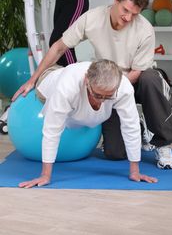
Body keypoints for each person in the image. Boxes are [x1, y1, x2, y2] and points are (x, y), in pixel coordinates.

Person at [13, 0, 172, 170]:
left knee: (150, 78)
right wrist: (33, 80)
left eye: (134, 14)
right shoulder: (92, 18)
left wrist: (110, 91)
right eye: (125, 10)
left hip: (135, 80)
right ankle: (141, 129)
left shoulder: (145, 30)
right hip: (107, 80)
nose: (128, 18)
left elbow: (137, 72)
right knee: (115, 153)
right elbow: (59, 47)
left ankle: (163, 143)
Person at [18, 59, 157, 188]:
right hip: (50, 79)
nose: (101, 101)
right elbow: (52, 130)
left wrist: (134, 171)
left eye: (108, 96)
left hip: (79, 74)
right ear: (86, 81)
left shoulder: (123, 87)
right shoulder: (65, 88)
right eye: (97, 95)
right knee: (59, 95)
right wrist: (45, 175)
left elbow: (130, 126)